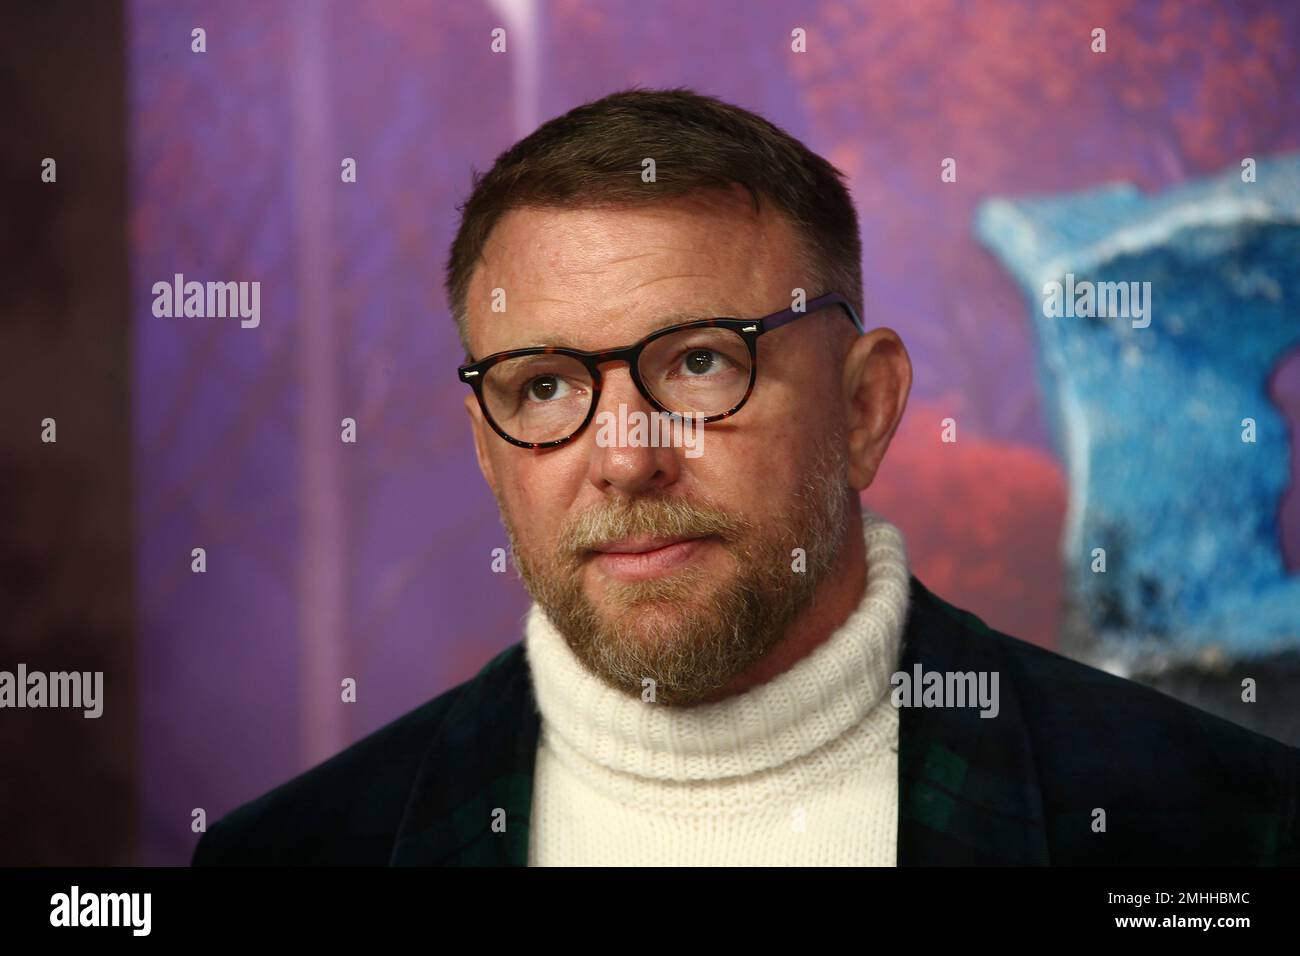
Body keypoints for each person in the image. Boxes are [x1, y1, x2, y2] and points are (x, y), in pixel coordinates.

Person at [193, 88, 1300, 866]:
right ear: (487, 447)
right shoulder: (290, 854)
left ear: (864, 407)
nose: (625, 456)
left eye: (701, 361)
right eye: (541, 388)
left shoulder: (1223, 828)